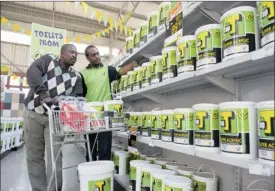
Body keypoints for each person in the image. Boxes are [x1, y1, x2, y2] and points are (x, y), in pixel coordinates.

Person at [24, 44, 83, 191]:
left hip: (55, 118)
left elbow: (77, 97)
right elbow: (32, 72)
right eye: (71, 52)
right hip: (34, 113)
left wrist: (62, 102)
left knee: (55, 157)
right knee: (34, 155)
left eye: (76, 53)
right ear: (61, 53)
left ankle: (53, 189)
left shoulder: (76, 77)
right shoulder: (49, 60)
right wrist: (44, 94)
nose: (74, 55)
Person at [80, 45, 135, 161]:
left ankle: (104, 171)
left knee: (105, 147)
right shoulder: (82, 74)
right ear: (87, 58)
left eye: (97, 53)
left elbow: (121, 72)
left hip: (106, 114)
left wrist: (135, 62)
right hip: (90, 115)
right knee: (90, 148)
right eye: (93, 55)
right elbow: (80, 95)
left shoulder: (108, 70)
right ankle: (92, 171)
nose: (97, 56)